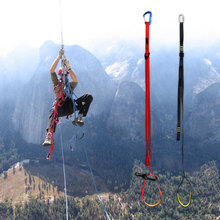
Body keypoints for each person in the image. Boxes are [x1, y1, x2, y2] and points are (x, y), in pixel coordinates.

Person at [42, 49, 93, 146]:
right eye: (61, 74)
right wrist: (58, 58)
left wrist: (68, 67)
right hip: (60, 108)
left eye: (65, 74)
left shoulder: (70, 85)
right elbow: (51, 71)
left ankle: (80, 116)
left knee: (88, 97)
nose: (63, 76)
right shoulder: (57, 84)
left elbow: (75, 80)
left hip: (70, 107)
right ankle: (49, 135)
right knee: (53, 110)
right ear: (59, 75)